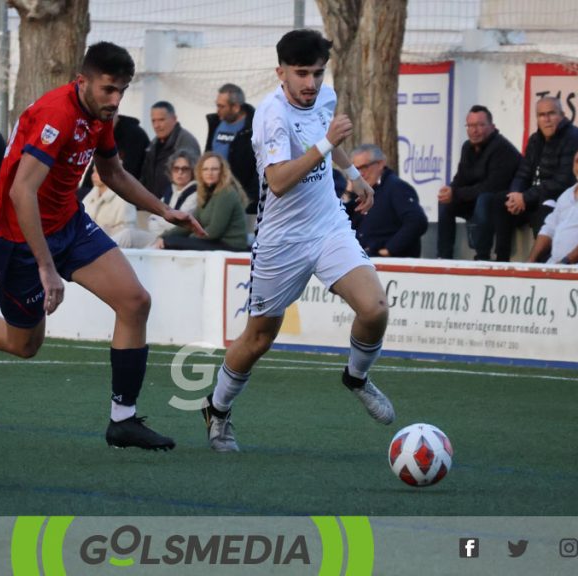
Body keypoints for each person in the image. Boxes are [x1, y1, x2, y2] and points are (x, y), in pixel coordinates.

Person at [0, 42, 204, 450]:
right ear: (83, 82)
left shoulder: (99, 113)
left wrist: (164, 209)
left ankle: (122, 419)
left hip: (69, 224)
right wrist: (47, 267)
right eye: (108, 89)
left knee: (134, 301)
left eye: (122, 90)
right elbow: (22, 193)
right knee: (25, 345)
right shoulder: (57, 115)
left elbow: (113, 171)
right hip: (19, 238)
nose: (116, 99)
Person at [199, 29, 393, 453]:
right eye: (301, 73)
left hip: (327, 226)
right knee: (259, 337)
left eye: (317, 73)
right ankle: (217, 408)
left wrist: (354, 176)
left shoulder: (324, 97)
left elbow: (326, 140)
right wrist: (327, 143)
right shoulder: (270, 115)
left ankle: (356, 377)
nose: (310, 83)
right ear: (280, 72)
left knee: (375, 308)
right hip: (281, 240)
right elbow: (279, 180)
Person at [493, 97, 578, 261]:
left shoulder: (573, 137)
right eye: (542, 115)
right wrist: (515, 194)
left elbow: (562, 181)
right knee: (499, 202)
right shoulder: (535, 140)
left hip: (561, 199)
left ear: (563, 115)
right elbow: (523, 172)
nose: (547, 119)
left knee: (544, 209)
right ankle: (500, 261)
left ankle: (542, 264)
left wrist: (526, 196)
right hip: (534, 196)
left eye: (551, 114)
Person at [437, 105, 521, 259]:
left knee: (485, 199)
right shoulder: (467, 147)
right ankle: (443, 256)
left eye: (480, 125)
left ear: (492, 126)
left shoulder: (502, 148)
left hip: (503, 205)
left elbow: (492, 186)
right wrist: (450, 190)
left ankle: (482, 256)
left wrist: (456, 193)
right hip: (475, 200)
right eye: (470, 126)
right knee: (445, 201)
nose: (474, 130)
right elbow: (461, 178)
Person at [347, 144, 428, 258]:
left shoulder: (396, 187)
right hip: (362, 259)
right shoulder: (360, 191)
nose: (360, 173)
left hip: (391, 265)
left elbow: (417, 221)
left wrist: (389, 250)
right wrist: (348, 192)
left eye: (364, 167)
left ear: (380, 164)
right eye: (356, 169)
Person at [157, 152, 248, 251]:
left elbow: (214, 232)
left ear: (222, 172)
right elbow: (190, 224)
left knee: (172, 243)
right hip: (215, 243)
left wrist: (186, 239)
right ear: (200, 172)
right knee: (169, 240)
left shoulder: (226, 193)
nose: (209, 173)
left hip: (231, 246)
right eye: (205, 169)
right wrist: (164, 236)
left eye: (214, 169)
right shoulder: (206, 194)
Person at [206, 83, 258, 214]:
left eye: (221, 106)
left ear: (235, 107)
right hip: (214, 196)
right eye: (217, 105)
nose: (217, 110)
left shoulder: (254, 128)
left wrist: (247, 201)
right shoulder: (215, 123)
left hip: (241, 200)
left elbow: (256, 171)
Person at [139, 101, 200, 201]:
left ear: (174, 119)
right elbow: (145, 176)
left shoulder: (186, 142)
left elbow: (191, 180)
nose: (156, 125)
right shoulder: (153, 144)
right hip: (152, 205)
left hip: (175, 207)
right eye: (153, 121)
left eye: (161, 120)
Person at [145, 149, 199, 237]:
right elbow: (152, 219)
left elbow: (179, 224)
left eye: (185, 169)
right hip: (157, 237)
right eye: (176, 168)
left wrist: (160, 221)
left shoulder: (195, 193)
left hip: (177, 241)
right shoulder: (170, 190)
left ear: (192, 171)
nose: (180, 172)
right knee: (129, 234)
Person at [82, 164, 140, 243]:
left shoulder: (124, 199)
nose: (93, 175)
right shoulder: (89, 197)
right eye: (93, 171)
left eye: (98, 172)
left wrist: (105, 231)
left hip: (112, 247)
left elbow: (127, 231)